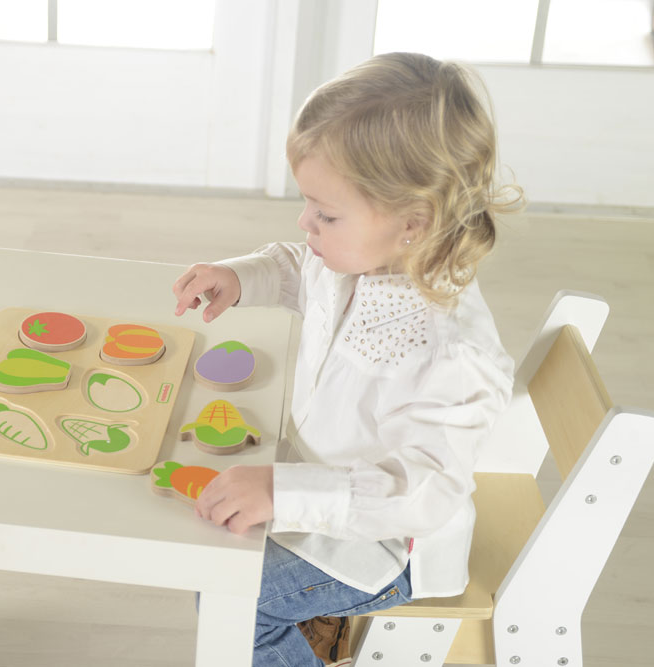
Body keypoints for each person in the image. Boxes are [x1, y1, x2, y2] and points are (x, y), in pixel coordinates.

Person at [171, 52, 523, 667]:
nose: (304, 221)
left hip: (384, 545)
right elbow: (296, 266)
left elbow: (423, 495)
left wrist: (283, 491)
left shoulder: (451, 352)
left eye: (324, 213)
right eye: (309, 203)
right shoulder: (357, 252)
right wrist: (239, 275)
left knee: (234, 599)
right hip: (311, 485)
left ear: (414, 223)